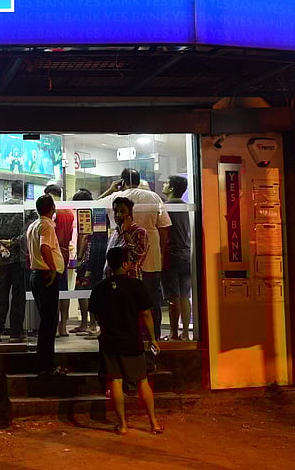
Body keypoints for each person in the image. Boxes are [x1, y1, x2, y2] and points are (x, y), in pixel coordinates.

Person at [89, 246, 164, 436]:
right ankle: (153, 423)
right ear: (125, 264)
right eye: (129, 261)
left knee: (115, 381)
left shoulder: (100, 287)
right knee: (142, 381)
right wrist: (153, 338)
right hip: (132, 341)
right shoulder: (137, 286)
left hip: (110, 341)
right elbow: (146, 313)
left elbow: (96, 315)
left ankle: (122, 424)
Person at [100, 168, 171, 339]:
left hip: (123, 264)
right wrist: (160, 251)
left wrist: (111, 189)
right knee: (150, 300)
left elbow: (95, 204)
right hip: (151, 258)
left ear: (122, 182)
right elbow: (164, 227)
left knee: (125, 303)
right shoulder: (153, 197)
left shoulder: (115, 199)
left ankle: (130, 336)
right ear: (139, 181)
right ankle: (153, 337)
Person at [0, 180, 31, 343]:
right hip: (19, 260)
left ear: (11, 191)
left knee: (1, 295)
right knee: (18, 296)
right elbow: (28, 235)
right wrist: (13, 242)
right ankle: (16, 333)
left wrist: (0, 246)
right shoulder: (28, 210)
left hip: (0, 261)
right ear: (25, 191)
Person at [26, 194, 66, 376]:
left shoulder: (34, 225)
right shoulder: (47, 225)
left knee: (46, 321)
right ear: (52, 208)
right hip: (45, 276)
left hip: (36, 275)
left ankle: (43, 363)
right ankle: (46, 365)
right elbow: (44, 248)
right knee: (49, 323)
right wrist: (52, 269)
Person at [162, 175, 192, 341]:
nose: (164, 185)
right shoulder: (187, 207)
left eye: (167, 183)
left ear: (172, 188)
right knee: (184, 295)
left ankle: (174, 333)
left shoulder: (165, 207)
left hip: (171, 254)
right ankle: (186, 333)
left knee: (174, 296)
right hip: (186, 254)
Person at [70, 188, 102, 336]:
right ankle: (91, 324)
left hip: (87, 257)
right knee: (92, 290)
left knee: (83, 290)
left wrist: (79, 257)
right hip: (97, 255)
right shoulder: (97, 212)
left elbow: (83, 236)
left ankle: (88, 324)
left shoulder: (84, 214)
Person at [44, 183, 74, 338]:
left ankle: (55, 327)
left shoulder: (53, 212)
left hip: (54, 252)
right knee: (64, 291)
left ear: (49, 194)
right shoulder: (70, 211)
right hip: (65, 252)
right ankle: (63, 327)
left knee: (53, 292)